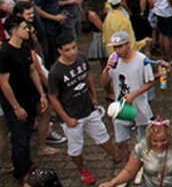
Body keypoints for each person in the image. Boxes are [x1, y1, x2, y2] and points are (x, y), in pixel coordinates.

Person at [48, 33, 121, 184]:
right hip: (72, 116)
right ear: (60, 51)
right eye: (68, 50)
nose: (73, 52)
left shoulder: (81, 58)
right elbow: (53, 97)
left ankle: (117, 157)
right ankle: (82, 169)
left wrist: (93, 96)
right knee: (75, 148)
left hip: (88, 109)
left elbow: (88, 77)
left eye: (74, 47)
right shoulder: (56, 72)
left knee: (102, 135)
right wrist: (66, 118)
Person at [0, 16, 47, 185]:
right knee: (19, 139)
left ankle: (27, 165)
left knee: (26, 135)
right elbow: (4, 83)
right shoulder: (5, 53)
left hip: (29, 97)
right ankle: (20, 174)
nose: (28, 30)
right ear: (13, 30)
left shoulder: (25, 47)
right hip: (16, 102)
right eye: (24, 28)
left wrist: (41, 94)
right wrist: (16, 107)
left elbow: (33, 71)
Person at [99, 31, 155, 162]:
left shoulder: (141, 60)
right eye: (115, 47)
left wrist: (134, 95)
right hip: (122, 106)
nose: (117, 50)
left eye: (120, 46)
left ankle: (142, 165)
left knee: (142, 140)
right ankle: (127, 167)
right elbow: (103, 83)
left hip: (139, 105)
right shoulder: (113, 59)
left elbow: (150, 82)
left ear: (128, 45)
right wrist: (107, 70)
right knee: (121, 140)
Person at [98, 117, 172, 187]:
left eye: (163, 140)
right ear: (149, 138)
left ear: (169, 136)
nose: (159, 144)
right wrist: (112, 183)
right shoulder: (141, 147)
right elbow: (129, 171)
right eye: (155, 141)